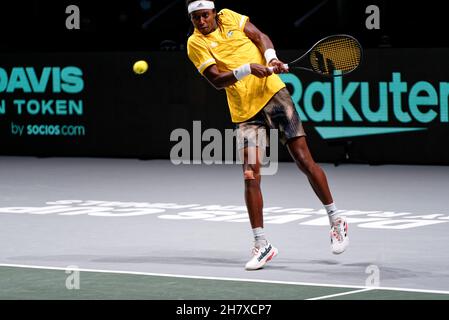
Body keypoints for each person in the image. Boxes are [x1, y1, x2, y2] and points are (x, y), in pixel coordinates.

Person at [186, 0, 348, 270]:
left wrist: (270, 57)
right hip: (244, 111)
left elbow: (259, 36)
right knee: (250, 174)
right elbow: (216, 80)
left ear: (214, 13)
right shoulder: (195, 43)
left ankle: (336, 220)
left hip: (274, 94)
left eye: (205, 16)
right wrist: (248, 68)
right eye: (195, 18)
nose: (201, 22)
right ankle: (262, 244)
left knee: (303, 160)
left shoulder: (229, 18)